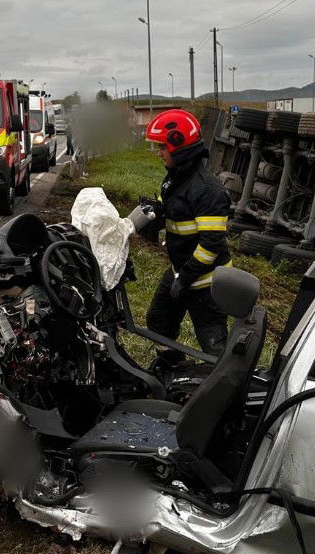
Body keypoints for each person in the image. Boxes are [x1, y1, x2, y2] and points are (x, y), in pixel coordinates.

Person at [130, 109, 231, 364]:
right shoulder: (175, 178)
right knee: (158, 320)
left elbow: (212, 244)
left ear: (179, 146)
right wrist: (151, 215)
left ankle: (221, 388)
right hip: (180, 271)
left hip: (208, 281)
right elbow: (168, 204)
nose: (159, 152)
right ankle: (173, 366)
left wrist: (185, 278)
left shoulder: (207, 190)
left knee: (212, 341)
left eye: (162, 147)